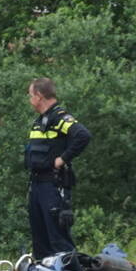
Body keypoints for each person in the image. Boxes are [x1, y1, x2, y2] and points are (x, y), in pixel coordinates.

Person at [25, 77, 91, 259]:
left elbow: (83, 135)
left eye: (31, 95)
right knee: (41, 243)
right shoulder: (42, 120)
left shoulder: (59, 117)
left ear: (39, 96)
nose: (30, 100)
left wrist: (62, 159)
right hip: (37, 185)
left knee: (59, 243)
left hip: (53, 186)